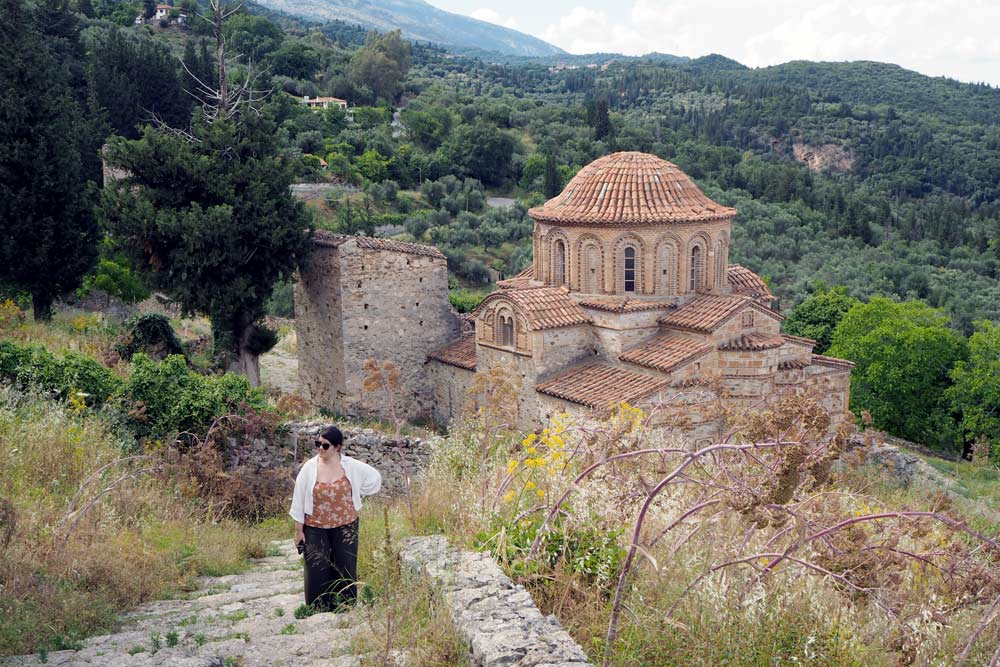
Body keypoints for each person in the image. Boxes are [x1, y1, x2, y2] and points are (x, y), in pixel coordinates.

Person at [289, 425, 381, 611]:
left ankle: (345, 606)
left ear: (337, 447)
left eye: (325, 445)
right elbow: (298, 499)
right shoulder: (309, 468)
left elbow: (374, 478)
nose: (320, 449)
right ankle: (318, 608)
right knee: (316, 568)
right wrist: (299, 530)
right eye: (318, 444)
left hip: (346, 525)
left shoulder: (351, 466)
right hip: (315, 526)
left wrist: (357, 491)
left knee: (345, 566)